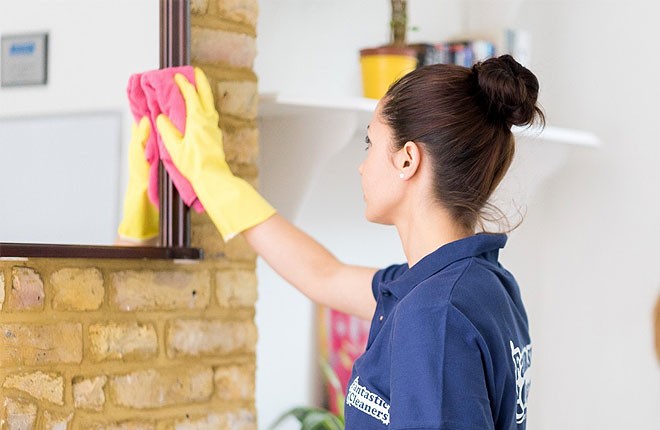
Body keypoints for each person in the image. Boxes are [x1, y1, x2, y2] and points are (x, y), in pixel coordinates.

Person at [119, 54, 544, 429]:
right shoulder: (478, 283)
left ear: (407, 159)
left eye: (370, 143)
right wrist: (215, 181)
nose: (361, 167)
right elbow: (324, 275)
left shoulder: (435, 314)